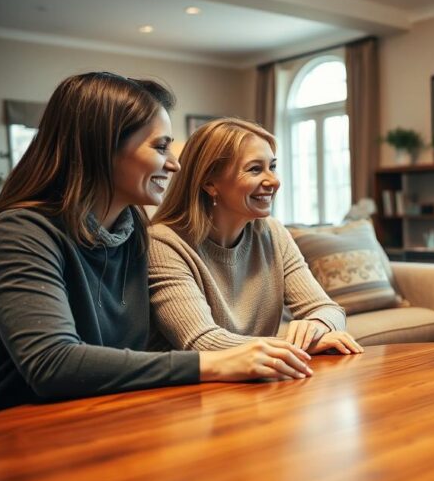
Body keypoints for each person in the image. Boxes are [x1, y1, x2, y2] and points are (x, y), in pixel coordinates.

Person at [0, 73, 314, 417]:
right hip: (16, 423)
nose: (175, 163)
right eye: (160, 146)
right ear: (103, 146)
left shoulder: (133, 229)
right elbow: (52, 362)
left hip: (107, 413)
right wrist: (213, 363)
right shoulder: (20, 230)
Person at [149, 118, 362, 355]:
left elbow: (326, 308)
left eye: (272, 166)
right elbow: (202, 341)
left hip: (261, 378)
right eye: (254, 169)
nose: (274, 181)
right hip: (192, 388)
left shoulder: (272, 233)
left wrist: (317, 327)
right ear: (209, 183)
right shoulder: (163, 243)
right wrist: (296, 347)